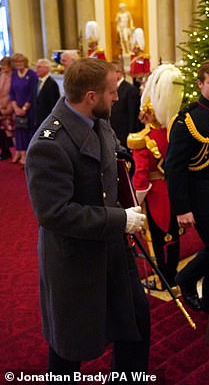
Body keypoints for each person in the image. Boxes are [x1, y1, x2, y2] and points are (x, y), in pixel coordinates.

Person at [24, 58, 150, 377]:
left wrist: (127, 167)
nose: (117, 97)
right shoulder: (48, 144)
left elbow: (111, 152)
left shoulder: (97, 118)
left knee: (135, 323)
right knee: (69, 348)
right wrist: (120, 220)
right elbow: (54, 213)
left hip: (111, 250)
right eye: (112, 92)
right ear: (91, 96)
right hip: (75, 260)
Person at [164, 60, 209, 312]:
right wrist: (181, 209)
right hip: (200, 198)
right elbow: (173, 168)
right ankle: (186, 278)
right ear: (200, 84)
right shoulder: (186, 121)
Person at [129, 64, 184, 290]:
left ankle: (163, 280)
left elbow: (140, 177)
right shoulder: (175, 131)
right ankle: (172, 275)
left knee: (157, 240)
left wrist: (134, 202)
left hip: (154, 195)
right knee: (174, 236)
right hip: (174, 191)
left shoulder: (142, 139)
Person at [9, 53, 38, 165]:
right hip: (17, 108)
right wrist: (15, 107)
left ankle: (30, 156)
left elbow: (32, 93)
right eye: (16, 62)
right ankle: (22, 154)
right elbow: (12, 92)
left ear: (25, 62)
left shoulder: (32, 74)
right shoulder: (14, 74)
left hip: (29, 109)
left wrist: (25, 108)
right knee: (19, 131)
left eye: (21, 62)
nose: (18, 64)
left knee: (29, 130)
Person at [109, 60, 142, 148]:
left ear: (119, 73)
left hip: (124, 133)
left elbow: (132, 115)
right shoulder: (109, 88)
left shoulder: (130, 90)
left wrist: (131, 134)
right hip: (113, 131)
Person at [34, 59, 61, 129]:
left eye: (39, 67)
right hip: (38, 119)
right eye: (36, 67)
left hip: (47, 119)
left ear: (47, 68)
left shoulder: (52, 84)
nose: (36, 69)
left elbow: (53, 104)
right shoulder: (37, 82)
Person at [0, 56, 14, 160]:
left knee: (13, 131)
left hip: (10, 106)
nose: (2, 67)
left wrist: (8, 107)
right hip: (1, 105)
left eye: (4, 65)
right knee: (2, 130)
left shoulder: (14, 76)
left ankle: (20, 153)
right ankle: (5, 151)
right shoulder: (2, 75)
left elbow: (12, 93)